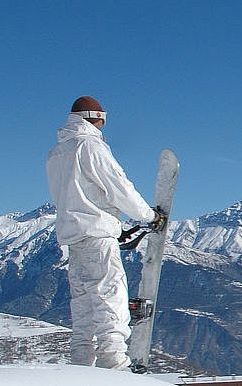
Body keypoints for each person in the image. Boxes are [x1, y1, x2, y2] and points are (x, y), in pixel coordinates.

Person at [46, 96, 164, 371]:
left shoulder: (57, 152)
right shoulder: (90, 146)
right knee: (109, 297)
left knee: (84, 304)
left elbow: (77, 196)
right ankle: (114, 362)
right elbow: (117, 186)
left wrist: (115, 224)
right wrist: (149, 216)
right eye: (103, 118)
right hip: (97, 236)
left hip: (74, 237)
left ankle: (81, 363)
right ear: (95, 116)